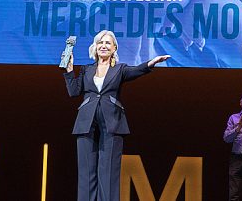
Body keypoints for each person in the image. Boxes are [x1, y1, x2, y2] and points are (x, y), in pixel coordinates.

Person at [63, 30, 170, 201]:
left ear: (114, 48)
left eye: (107, 43)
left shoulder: (120, 69)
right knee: (86, 172)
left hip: (112, 122)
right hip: (86, 122)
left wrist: (152, 62)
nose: (103, 46)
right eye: (100, 42)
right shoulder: (86, 69)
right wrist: (69, 71)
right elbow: (74, 91)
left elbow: (136, 70)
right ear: (95, 47)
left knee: (109, 172)